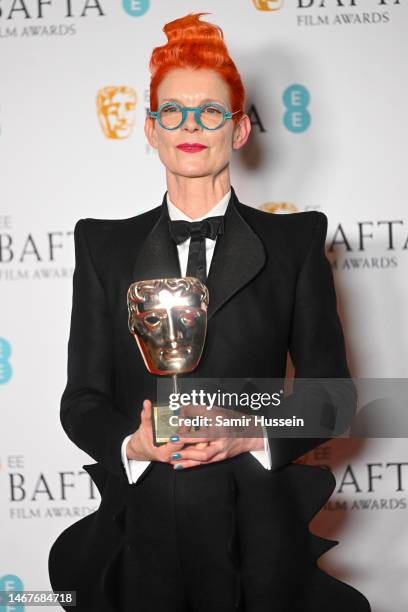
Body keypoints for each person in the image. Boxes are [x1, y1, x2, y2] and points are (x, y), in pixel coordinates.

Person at [48, 12, 371, 612]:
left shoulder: (296, 242)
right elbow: (81, 402)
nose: (190, 126)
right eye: (172, 111)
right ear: (150, 129)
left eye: (210, 111)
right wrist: (134, 443)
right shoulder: (102, 246)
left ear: (240, 128)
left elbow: (334, 396)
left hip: (259, 538)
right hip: (138, 538)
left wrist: (246, 430)